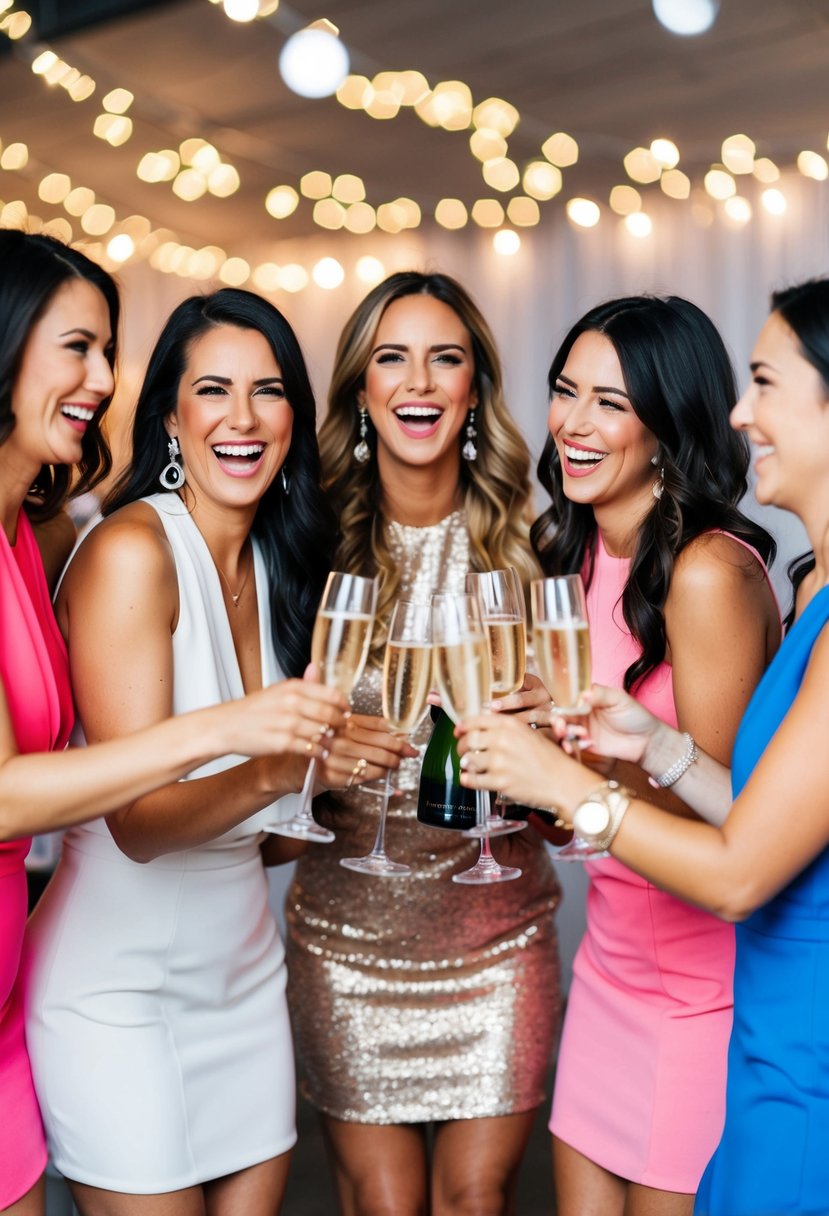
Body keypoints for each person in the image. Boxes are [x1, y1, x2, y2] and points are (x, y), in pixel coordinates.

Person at [458, 277, 829, 1216]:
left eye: (611, 402)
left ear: (667, 423)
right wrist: (568, 774)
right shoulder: (567, 551)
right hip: (610, 971)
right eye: (565, 390)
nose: (573, 422)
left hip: (705, 991)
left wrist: (576, 781)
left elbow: (747, 835)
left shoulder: (707, 573)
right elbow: (674, 787)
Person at [23, 286, 359, 1216]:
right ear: (170, 412)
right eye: (213, 390)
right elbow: (139, 825)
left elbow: (266, 839)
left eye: (269, 390)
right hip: (117, 997)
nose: (243, 418)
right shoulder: (134, 551)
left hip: (245, 982)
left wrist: (339, 777)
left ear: (296, 412)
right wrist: (281, 763)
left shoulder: (277, 564)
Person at [284, 270, 561, 1215]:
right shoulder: (305, 549)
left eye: (445, 359)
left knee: (477, 1198)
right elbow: (265, 759)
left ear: (474, 388)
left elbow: (574, 777)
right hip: (347, 937)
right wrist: (312, 767)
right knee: (382, 1203)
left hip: (499, 932)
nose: (419, 382)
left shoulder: (535, 548)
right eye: (390, 359)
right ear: (359, 390)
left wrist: (549, 759)